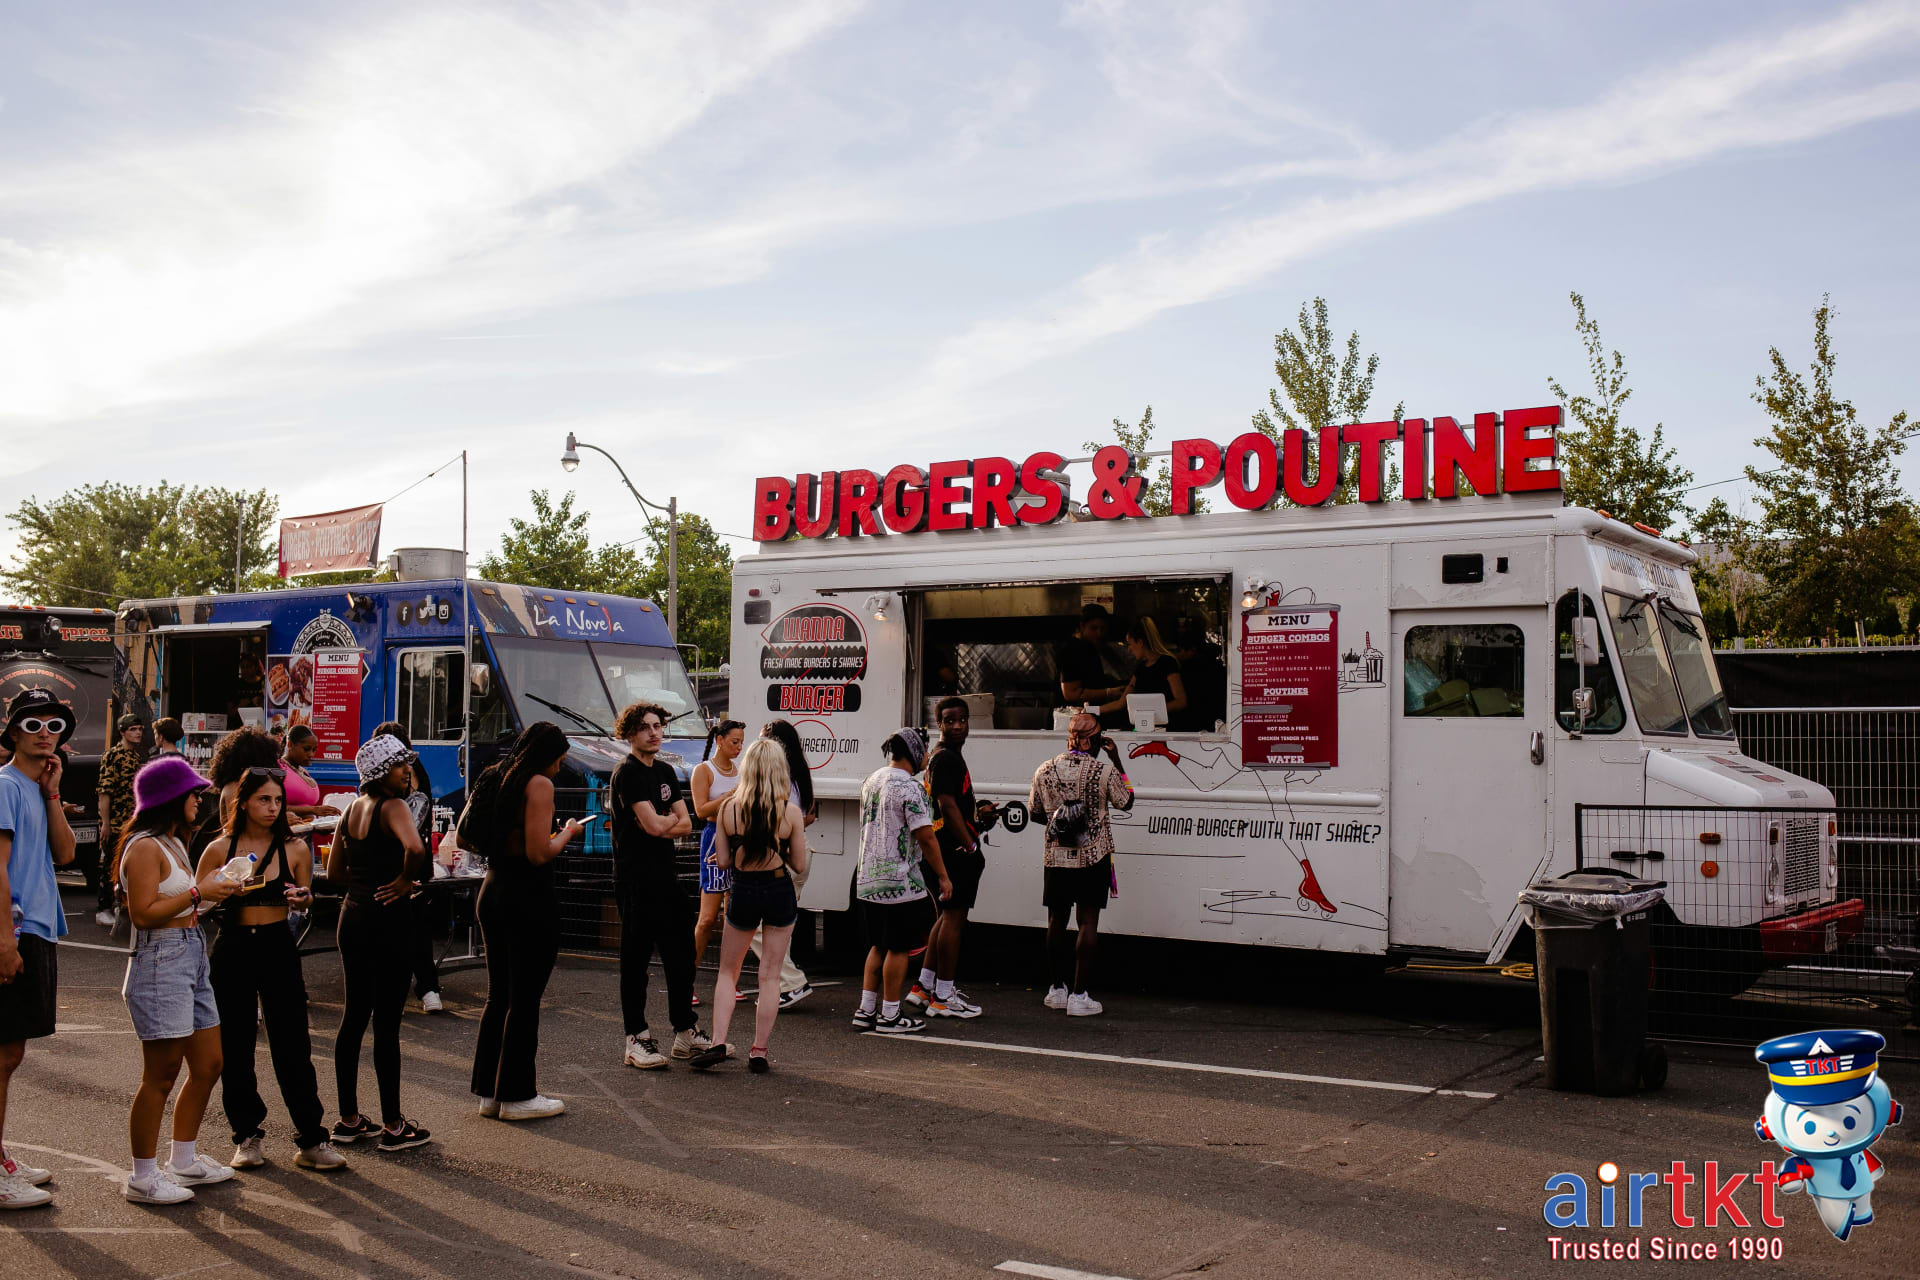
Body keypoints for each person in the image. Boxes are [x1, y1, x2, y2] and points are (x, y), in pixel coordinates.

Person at [198, 768, 345, 1172]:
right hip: (233, 947)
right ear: (242, 801)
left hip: (278, 945)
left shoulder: (294, 847)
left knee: (292, 1044)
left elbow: (306, 898)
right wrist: (219, 890)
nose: (273, 807)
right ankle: (246, 1136)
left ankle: (312, 1139)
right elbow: (197, 903)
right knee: (236, 1046)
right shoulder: (219, 848)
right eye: (264, 799)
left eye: (278, 800)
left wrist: (303, 898)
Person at [116, 756, 241, 1204]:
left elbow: (185, 904)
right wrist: (198, 892)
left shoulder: (172, 843)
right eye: (193, 793)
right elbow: (143, 913)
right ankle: (142, 1177)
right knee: (161, 1074)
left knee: (209, 1063)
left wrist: (213, 893)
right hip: (160, 961)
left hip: (189, 953)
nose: (200, 799)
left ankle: (183, 1160)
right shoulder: (145, 846)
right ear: (171, 798)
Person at [469, 722, 583, 1119]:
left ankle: (490, 1091)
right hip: (527, 895)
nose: (559, 767)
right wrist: (566, 833)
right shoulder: (539, 785)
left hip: (493, 888)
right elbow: (539, 853)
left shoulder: (494, 776)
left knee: (498, 994)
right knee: (525, 998)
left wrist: (505, 840)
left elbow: (466, 834)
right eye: (559, 759)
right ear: (546, 755)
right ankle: (518, 1095)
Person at [327, 734, 433, 1152]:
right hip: (389, 920)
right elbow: (415, 847)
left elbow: (334, 870)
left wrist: (364, 882)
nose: (406, 770)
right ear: (379, 772)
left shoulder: (352, 808)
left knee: (354, 1016)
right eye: (398, 765)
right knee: (387, 1023)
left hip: (352, 916)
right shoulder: (394, 807)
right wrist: (405, 879)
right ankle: (393, 1126)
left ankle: (349, 1119)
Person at [0, 689, 79, 1210]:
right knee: (2, 1052)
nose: (44, 732)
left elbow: (67, 852)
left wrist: (53, 792)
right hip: (16, 930)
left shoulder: (34, 787)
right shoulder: (4, 785)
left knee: (11, 1052)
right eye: (33, 723)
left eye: (54, 724)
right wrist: (3, 939)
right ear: (11, 732)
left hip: (41, 929)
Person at [691, 739, 809, 1072]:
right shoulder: (789, 812)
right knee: (770, 976)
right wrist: (780, 849)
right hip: (777, 888)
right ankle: (759, 1051)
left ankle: (717, 1042)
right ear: (777, 770)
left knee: (728, 973)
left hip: (743, 890)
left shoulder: (729, 808)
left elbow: (725, 861)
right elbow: (799, 865)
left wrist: (728, 853)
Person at [609, 703, 710, 1069]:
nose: (654, 732)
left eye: (657, 726)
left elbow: (686, 823)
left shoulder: (666, 771)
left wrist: (662, 821)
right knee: (635, 962)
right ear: (630, 734)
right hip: (636, 881)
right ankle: (636, 1038)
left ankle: (685, 1033)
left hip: (667, 879)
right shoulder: (627, 773)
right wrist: (665, 821)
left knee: (681, 957)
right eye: (645, 728)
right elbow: (656, 827)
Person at [1028, 713, 1134, 1017]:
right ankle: (1080, 995)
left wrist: (1060, 819)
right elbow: (1126, 801)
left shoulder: (1045, 769)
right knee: (1087, 923)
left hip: (1056, 857)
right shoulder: (1103, 771)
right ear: (1094, 740)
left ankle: (1056, 990)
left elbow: (1035, 812)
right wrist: (1117, 761)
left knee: (1055, 921)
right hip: (1093, 857)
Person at [851, 729, 949, 1035]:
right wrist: (943, 876)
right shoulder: (911, 787)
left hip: (867, 878)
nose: (928, 757)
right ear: (914, 752)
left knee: (878, 945)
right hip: (899, 881)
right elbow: (926, 836)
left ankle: (866, 1009)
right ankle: (890, 1015)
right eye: (925, 751)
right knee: (898, 948)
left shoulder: (871, 780)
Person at [907, 697, 997, 1019]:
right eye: (949, 720)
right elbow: (946, 805)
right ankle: (943, 997)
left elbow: (953, 803)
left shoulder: (941, 757)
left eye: (962, 719)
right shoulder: (947, 759)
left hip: (944, 847)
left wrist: (976, 814)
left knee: (945, 917)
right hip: (954, 850)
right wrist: (971, 845)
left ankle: (922, 988)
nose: (957, 726)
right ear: (939, 724)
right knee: (955, 920)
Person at [369, 721, 443, 1015]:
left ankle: (385, 993)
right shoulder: (419, 770)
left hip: (392, 862)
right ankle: (429, 990)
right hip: (420, 863)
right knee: (418, 929)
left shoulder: (388, 784)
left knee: (389, 929)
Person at [752, 720, 815, 1007]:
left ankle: (792, 983)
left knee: (756, 928)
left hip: (783, 857)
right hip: (802, 852)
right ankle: (782, 986)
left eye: (765, 739)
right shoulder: (800, 774)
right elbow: (803, 818)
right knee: (781, 927)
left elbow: (779, 822)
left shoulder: (779, 779)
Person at [690, 720, 746, 988]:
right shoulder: (704, 770)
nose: (739, 747)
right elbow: (701, 811)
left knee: (732, 917)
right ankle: (686, 980)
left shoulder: (740, 770)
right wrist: (732, 794)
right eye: (734, 741)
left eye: (741, 742)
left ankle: (728, 982)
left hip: (738, 839)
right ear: (720, 740)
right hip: (714, 838)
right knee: (707, 918)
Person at [94, 713, 147, 927]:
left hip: (131, 822)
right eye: (133, 729)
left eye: (140, 729)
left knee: (127, 865)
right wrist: (105, 823)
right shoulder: (113, 755)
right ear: (123, 732)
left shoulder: (135, 756)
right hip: (115, 822)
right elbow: (104, 791)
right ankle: (103, 908)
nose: (138, 733)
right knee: (109, 866)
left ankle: (121, 904)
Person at [1100, 618, 1187, 727]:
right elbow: (1120, 703)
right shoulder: (1140, 668)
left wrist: (1150, 711)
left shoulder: (1168, 663)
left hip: (1167, 729)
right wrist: (1090, 710)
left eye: (1130, 644)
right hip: (1144, 727)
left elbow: (1181, 701)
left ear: (1140, 642)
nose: (1129, 649)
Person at [1057, 604, 1124, 709]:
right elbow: (1071, 693)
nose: (1099, 633)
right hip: (1070, 718)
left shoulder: (1088, 647)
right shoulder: (1073, 650)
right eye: (1094, 628)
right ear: (1082, 626)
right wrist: (1109, 692)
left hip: (1084, 717)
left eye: (1103, 628)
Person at [1171, 621, 1227, 733]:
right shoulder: (1217, 666)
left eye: (1180, 650)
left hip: (1192, 722)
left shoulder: (1186, 669)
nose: (1178, 655)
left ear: (1192, 650)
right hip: (1216, 721)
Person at [280, 724, 330, 820]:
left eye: (314, 750)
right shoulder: (278, 770)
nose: (311, 754)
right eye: (306, 749)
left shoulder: (303, 772)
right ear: (290, 745)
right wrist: (312, 809)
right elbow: (274, 806)